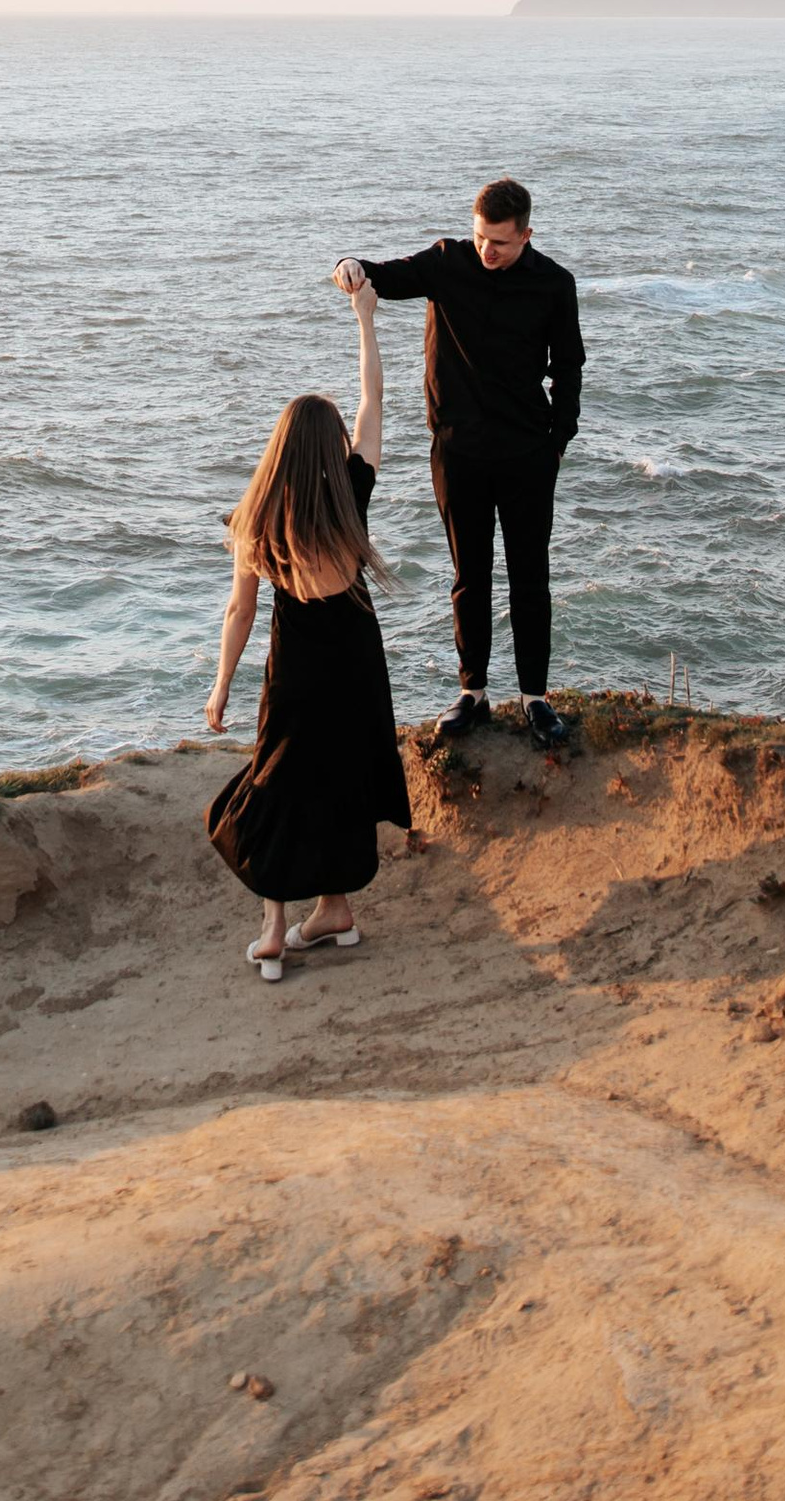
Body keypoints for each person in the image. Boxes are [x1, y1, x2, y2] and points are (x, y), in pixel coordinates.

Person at [204, 274, 413, 983]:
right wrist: (365, 319)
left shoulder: (255, 521)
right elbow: (373, 401)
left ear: (278, 450)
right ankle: (333, 909)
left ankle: (274, 928)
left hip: (295, 672)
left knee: (279, 787)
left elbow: (241, 612)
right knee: (338, 779)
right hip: (356, 661)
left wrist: (221, 687)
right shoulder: (354, 495)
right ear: (332, 451)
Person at [337, 175, 582, 748]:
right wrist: (351, 262)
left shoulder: (554, 284)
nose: (486, 250)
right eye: (479, 237)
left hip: (527, 454)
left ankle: (535, 698)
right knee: (468, 577)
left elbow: (569, 367)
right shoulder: (447, 262)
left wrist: (557, 442)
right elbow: (385, 273)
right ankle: (472, 693)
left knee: (530, 579)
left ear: (526, 234)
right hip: (457, 453)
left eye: (499, 241)